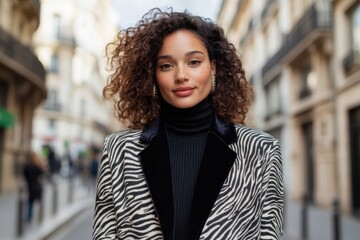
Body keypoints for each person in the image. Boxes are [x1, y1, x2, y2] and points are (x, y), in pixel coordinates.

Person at [93, 7, 283, 240]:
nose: (181, 75)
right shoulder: (118, 150)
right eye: (166, 65)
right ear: (153, 75)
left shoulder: (261, 149)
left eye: (193, 62)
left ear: (212, 68)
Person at [23, 151, 46, 223]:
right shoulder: (36, 167)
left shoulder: (26, 167)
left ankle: (29, 217)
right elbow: (42, 173)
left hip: (30, 186)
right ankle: (38, 216)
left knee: (30, 203)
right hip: (36, 187)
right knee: (38, 202)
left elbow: (25, 175)